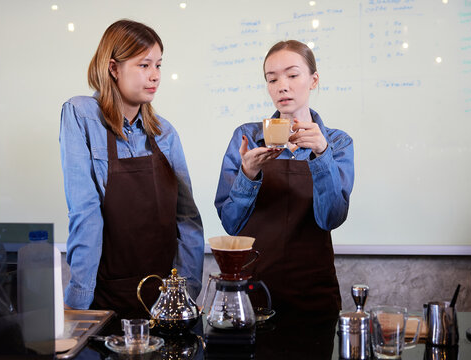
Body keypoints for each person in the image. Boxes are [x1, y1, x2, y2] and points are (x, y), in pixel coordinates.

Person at [59, 19, 204, 318]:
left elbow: (187, 219)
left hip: (163, 303)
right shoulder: (81, 115)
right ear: (113, 68)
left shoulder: (165, 133)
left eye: (158, 66)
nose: (155, 76)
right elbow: (85, 214)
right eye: (144, 65)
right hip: (104, 304)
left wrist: (184, 296)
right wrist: (77, 304)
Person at [214, 40, 354, 318]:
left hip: (314, 291)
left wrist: (322, 153)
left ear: (313, 80)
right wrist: (248, 174)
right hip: (252, 289)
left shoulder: (337, 143)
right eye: (272, 78)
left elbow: (331, 219)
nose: (282, 86)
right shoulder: (247, 137)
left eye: (292, 75)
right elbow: (231, 224)